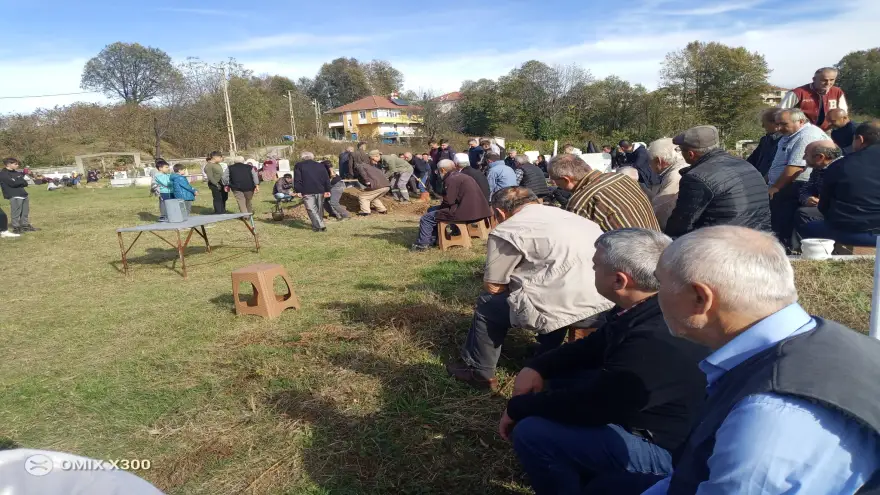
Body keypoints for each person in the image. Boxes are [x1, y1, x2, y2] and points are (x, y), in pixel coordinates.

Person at [642, 225, 880, 494]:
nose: (655, 294)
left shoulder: (768, 416)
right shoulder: (834, 340)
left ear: (700, 298)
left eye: (659, 283)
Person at [504, 229, 710, 494]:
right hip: (655, 421)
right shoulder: (649, 306)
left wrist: (519, 407)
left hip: (667, 450)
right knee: (560, 380)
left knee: (533, 433)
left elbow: (596, 406)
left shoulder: (652, 338)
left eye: (595, 265)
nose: (592, 269)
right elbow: (594, 345)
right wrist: (538, 366)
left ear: (619, 280)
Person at [446, 187, 613, 389]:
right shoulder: (575, 217)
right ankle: (546, 350)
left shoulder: (508, 229)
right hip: (603, 300)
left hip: (565, 304)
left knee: (488, 305)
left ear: (499, 213)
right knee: (549, 288)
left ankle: (478, 371)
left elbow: (493, 286)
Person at [664, 126, 770, 237]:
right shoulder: (745, 165)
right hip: (761, 238)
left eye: (680, 150)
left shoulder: (696, 177)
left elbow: (682, 222)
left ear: (691, 154)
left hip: (724, 243)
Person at [800, 121, 880, 246]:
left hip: (852, 231)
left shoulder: (840, 166)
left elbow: (823, 208)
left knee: (808, 226)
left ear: (860, 139)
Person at [550, 153, 660, 232]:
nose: (553, 183)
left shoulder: (580, 202)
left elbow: (575, 244)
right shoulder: (622, 178)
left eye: (554, 180)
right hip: (659, 249)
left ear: (566, 179)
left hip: (628, 260)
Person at [768, 108, 829, 248]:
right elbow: (778, 165)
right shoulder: (789, 134)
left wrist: (775, 188)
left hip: (800, 184)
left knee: (782, 212)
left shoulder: (806, 136)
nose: (778, 128)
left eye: (783, 124)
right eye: (777, 124)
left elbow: (796, 167)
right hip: (787, 183)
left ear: (801, 121)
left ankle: (786, 246)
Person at [410, 159, 491, 251]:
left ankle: (422, 245)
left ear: (443, 170)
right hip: (476, 210)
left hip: (463, 212)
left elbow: (449, 201)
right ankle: (433, 239)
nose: (437, 173)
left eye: (438, 170)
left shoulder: (451, 179)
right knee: (431, 211)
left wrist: (440, 209)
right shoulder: (461, 176)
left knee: (426, 218)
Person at [793, 141, 841, 246]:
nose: (804, 158)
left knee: (804, 213)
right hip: (824, 207)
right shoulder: (818, 169)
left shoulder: (842, 169)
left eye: (806, 154)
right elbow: (806, 188)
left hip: (840, 211)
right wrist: (807, 198)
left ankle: (813, 246)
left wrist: (824, 202)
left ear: (820, 157)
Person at [779, 67, 848, 130]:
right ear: (814, 79)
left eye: (832, 80)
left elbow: (843, 112)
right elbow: (780, 111)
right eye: (824, 80)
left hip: (829, 130)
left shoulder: (837, 92)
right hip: (803, 131)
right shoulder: (798, 92)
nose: (828, 83)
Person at [647, 138, 688, 230]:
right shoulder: (680, 167)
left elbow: (661, 209)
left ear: (659, 161)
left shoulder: (675, 175)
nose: (649, 166)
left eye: (650, 162)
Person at [293, 151, 332, 232]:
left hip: (307, 190)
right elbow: (326, 178)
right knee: (318, 209)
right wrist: (328, 189)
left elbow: (297, 179)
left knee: (311, 209)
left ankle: (319, 226)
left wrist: (298, 190)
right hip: (320, 189)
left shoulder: (298, 165)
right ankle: (319, 226)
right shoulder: (320, 165)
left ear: (302, 157)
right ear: (312, 157)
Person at [0, 158, 34, 234]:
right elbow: (12, 184)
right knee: (16, 212)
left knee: (25, 212)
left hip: (23, 194)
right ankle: (16, 227)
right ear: (8, 164)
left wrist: (18, 181)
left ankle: (25, 226)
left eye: (18, 164)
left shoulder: (17, 173)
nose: (17, 165)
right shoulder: (3, 174)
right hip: (14, 195)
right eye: (15, 164)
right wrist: (20, 181)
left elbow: (25, 183)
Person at [746, 108, 782, 179]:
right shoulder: (764, 140)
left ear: (776, 123)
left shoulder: (787, 141)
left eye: (764, 122)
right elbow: (751, 161)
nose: (762, 126)